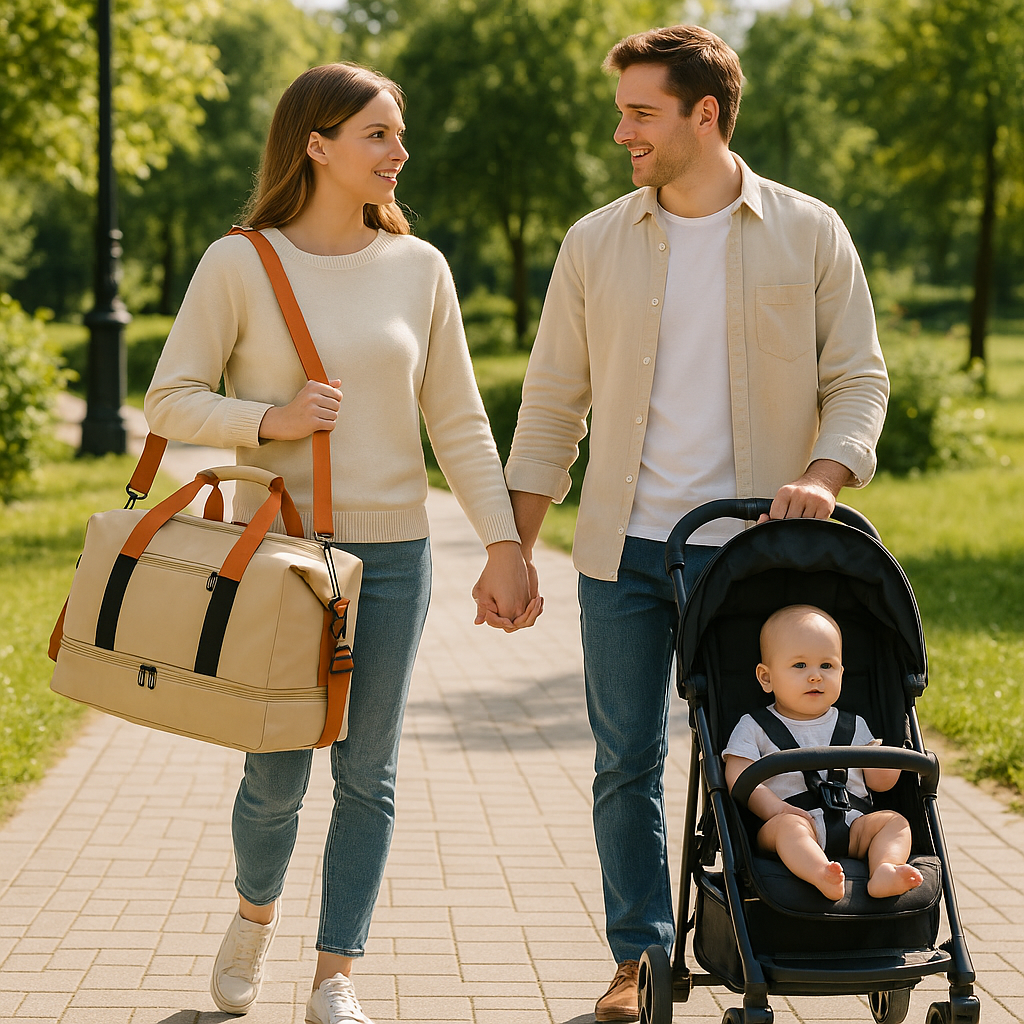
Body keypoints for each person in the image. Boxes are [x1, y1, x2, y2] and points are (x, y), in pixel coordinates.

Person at [503, 23, 890, 1023]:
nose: (622, 132)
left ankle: (783, 923)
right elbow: (552, 404)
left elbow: (857, 379)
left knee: (771, 755)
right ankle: (640, 958)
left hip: (759, 559)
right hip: (623, 552)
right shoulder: (594, 241)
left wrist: (821, 474)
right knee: (624, 759)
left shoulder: (810, 232)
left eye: (640, 113)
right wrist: (513, 548)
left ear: (703, 114)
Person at [145, 62, 539, 1024]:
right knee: (275, 772)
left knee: (371, 774)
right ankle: (253, 918)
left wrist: (503, 544)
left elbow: (460, 423)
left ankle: (336, 976)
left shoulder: (421, 268)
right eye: (377, 133)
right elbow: (168, 399)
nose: (399, 152)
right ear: (315, 144)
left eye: (398, 134)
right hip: (277, 555)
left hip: (394, 557)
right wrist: (270, 419)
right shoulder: (239, 261)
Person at [723, 604, 923, 902]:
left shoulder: (854, 725)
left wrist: (888, 761)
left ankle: (885, 868)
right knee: (789, 829)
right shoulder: (754, 726)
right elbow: (738, 776)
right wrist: (775, 809)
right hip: (789, 821)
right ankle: (819, 872)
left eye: (826, 666)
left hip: (853, 825)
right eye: (800, 666)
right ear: (766, 678)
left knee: (894, 822)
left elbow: (880, 784)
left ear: (841, 672)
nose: (815, 676)